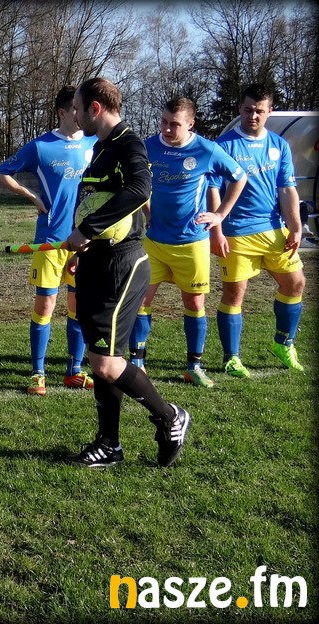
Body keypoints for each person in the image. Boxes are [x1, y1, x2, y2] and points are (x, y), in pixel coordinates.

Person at [64, 77, 190, 468]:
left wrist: (88, 229)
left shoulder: (128, 143)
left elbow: (139, 189)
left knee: (106, 362)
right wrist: (82, 247)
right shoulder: (101, 148)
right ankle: (109, 444)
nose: (74, 115)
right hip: (95, 260)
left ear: (95, 108)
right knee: (99, 356)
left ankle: (169, 416)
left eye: (77, 108)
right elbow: (95, 200)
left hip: (122, 263)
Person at [128, 96, 246, 388]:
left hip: (192, 242)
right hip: (154, 242)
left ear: (191, 124)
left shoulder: (207, 150)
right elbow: (136, 182)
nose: (167, 129)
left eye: (175, 124)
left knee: (194, 303)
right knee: (141, 300)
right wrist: (147, 211)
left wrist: (219, 215)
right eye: (164, 122)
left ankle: (194, 366)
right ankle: (137, 362)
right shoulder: (147, 147)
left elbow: (239, 177)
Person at [0, 86, 96, 396]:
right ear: (62, 113)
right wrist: (31, 196)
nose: (81, 114)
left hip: (85, 241)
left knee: (79, 306)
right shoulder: (41, 146)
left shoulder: (95, 143)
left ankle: (74, 370)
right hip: (50, 240)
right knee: (46, 304)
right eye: (75, 109)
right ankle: (37, 373)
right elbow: (1, 172)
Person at [211, 83, 305, 377]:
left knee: (295, 283)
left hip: (274, 229)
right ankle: (231, 357)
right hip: (237, 231)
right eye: (248, 109)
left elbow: (287, 189)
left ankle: (283, 343)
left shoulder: (279, 145)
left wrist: (295, 227)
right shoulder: (223, 146)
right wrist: (217, 229)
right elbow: (213, 188)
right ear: (239, 109)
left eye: (259, 111)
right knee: (235, 293)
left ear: (269, 111)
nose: (253, 116)